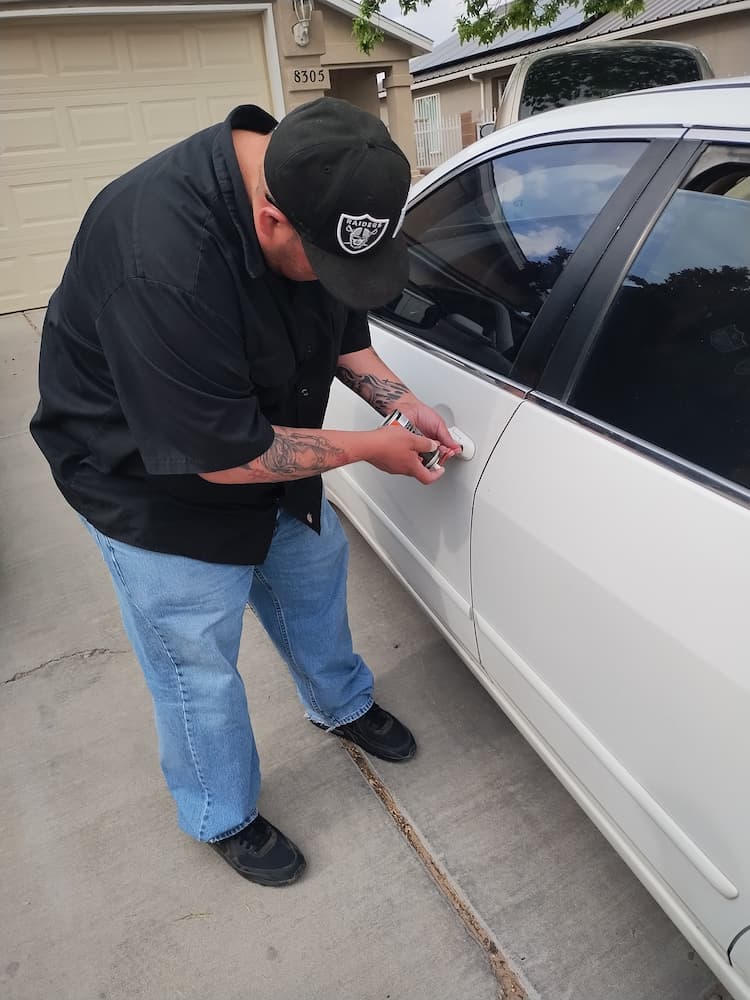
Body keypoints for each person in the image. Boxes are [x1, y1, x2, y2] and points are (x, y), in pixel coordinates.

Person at [30, 97, 459, 888]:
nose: (339, 279)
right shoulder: (159, 257)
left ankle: (341, 702)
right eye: (328, 262)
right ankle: (220, 811)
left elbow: (341, 325)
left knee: (313, 577)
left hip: (260, 431)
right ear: (270, 219)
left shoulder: (321, 187)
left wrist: (398, 402)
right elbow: (227, 456)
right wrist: (374, 449)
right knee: (196, 658)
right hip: (145, 479)